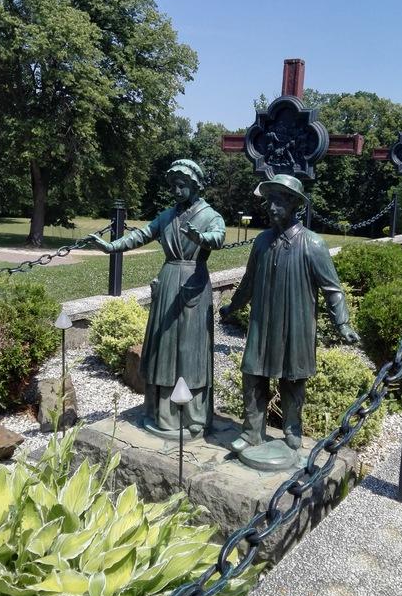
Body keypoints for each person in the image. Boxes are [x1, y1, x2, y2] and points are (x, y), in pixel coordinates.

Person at [220, 174, 359, 453]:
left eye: (279, 201)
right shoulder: (261, 242)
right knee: (252, 374)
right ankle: (251, 432)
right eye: (270, 201)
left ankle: (292, 429)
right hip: (262, 324)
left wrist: (342, 324)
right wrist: (232, 307)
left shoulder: (312, 244)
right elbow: (248, 282)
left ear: (295, 204)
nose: (272, 208)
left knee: (293, 378)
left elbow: (332, 289)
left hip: (296, 325)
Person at [88, 159, 225, 437]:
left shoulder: (210, 215)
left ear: (194, 186)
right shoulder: (167, 216)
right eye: (173, 186)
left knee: (191, 351)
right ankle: (161, 411)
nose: (176, 190)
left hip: (194, 283)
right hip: (168, 281)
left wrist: (201, 238)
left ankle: (194, 415)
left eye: (182, 185)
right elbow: (141, 235)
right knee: (164, 349)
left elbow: (218, 237)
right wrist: (111, 247)